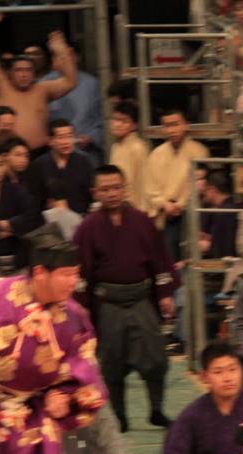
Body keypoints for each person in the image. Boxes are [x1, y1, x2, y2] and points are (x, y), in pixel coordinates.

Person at [0, 223, 106, 454]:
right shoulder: (2, 297)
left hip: (32, 403)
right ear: (39, 273)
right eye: (65, 274)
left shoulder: (73, 316)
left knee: (42, 435)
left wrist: (66, 396)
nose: (73, 282)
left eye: (75, 274)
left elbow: (83, 362)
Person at [74, 165, 176, 432]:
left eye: (116, 187)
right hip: (108, 302)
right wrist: (82, 307)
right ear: (95, 192)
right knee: (111, 362)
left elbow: (160, 260)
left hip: (141, 298)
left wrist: (165, 294)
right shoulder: (88, 227)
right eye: (105, 189)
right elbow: (80, 271)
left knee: (157, 358)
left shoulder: (142, 221)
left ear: (125, 188)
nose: (112, 193)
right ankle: (119, 415)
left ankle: (156, 409)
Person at [144, 108, 209, 261]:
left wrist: (180, 204)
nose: (171, 130)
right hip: (163, 212)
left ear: (186, 125)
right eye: (167, 126)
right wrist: (164, 204)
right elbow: (150, 188)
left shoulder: (200, 151)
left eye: (175, 124)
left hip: (190, 210)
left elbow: (199, 184)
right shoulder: (156, 154)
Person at [0, 33, 76, 152]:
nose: (23, 74)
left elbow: (70, 81)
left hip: (40, 153)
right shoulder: (3, 88)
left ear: (34, 73)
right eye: (18, 70)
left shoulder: (43, 89)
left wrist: (61, 51)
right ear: (10, 73)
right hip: (8, 153)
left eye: (28, 70)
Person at [43, 46, 103, 164]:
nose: (64, 60)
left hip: (86, 149)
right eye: (60, 56)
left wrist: (91, 136)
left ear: (77, 57)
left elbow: (102, 117)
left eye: (68, 55)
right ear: (54, 60)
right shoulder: (44, 84)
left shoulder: (92, 83)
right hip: (54, 151)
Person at [26, 119, 93, 215]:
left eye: (69, 136)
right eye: (61, 137)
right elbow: (35, 200)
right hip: (51, 219)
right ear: (49, 141)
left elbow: (91, 194)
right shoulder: (39, 165)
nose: (66, 142)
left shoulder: (83, 161)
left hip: (82, 217)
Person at [108, 101, 149, 211]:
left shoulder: (138, 148)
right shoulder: (116, 146)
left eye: (124, 121)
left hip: (134, 209)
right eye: (115, 119)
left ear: (134, 125)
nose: (117, 124)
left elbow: (142, 186)